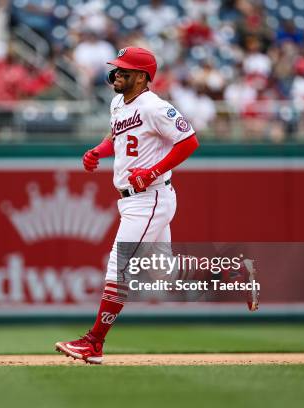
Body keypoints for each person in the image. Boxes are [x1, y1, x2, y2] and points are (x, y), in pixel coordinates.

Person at [55, 47, 259, 364]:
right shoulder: (118, 102)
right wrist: (98, 150)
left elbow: (189, 141)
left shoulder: (156, 107)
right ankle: (233, 273)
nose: (117, 73)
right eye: (117, 68)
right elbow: (117, 136)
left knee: (118, 267)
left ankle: (93, 343)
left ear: (142, 77)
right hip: (133, 200)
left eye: (124, 69)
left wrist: (151, 172)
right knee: (164, 275)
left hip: (149, 197)